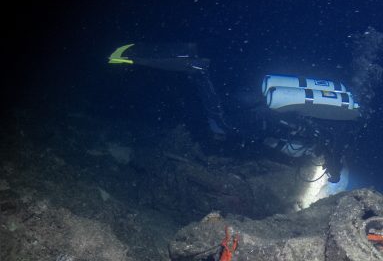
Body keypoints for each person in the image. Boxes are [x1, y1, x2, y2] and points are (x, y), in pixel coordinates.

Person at [108, 43, 362, 185]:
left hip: (265, 106)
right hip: (266, 115)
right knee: (222, 123)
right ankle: (194, 67)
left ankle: (189, 67)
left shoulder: (335, 123)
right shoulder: (337, 134)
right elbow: (334, 168)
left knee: (220, 123)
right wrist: (336, 172)